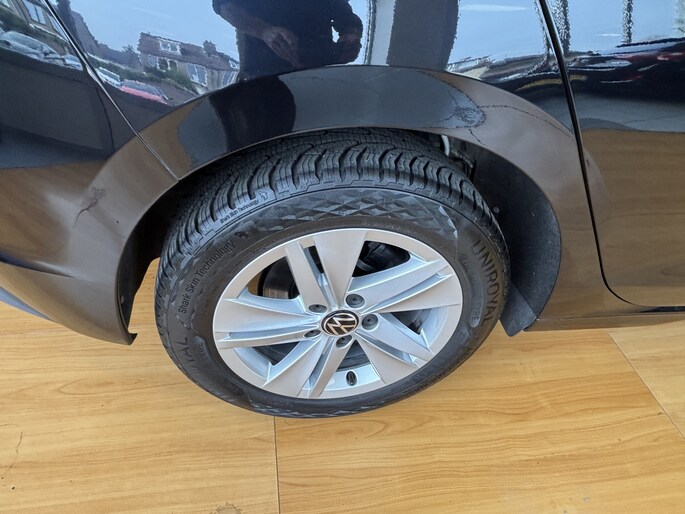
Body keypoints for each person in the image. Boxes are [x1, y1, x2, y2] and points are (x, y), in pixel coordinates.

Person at [213, 0, 363, 79]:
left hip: (320, 75)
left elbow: (346, 17)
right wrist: (264, 31)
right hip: (264, 78)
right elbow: (224, 6)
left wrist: (351, 37)